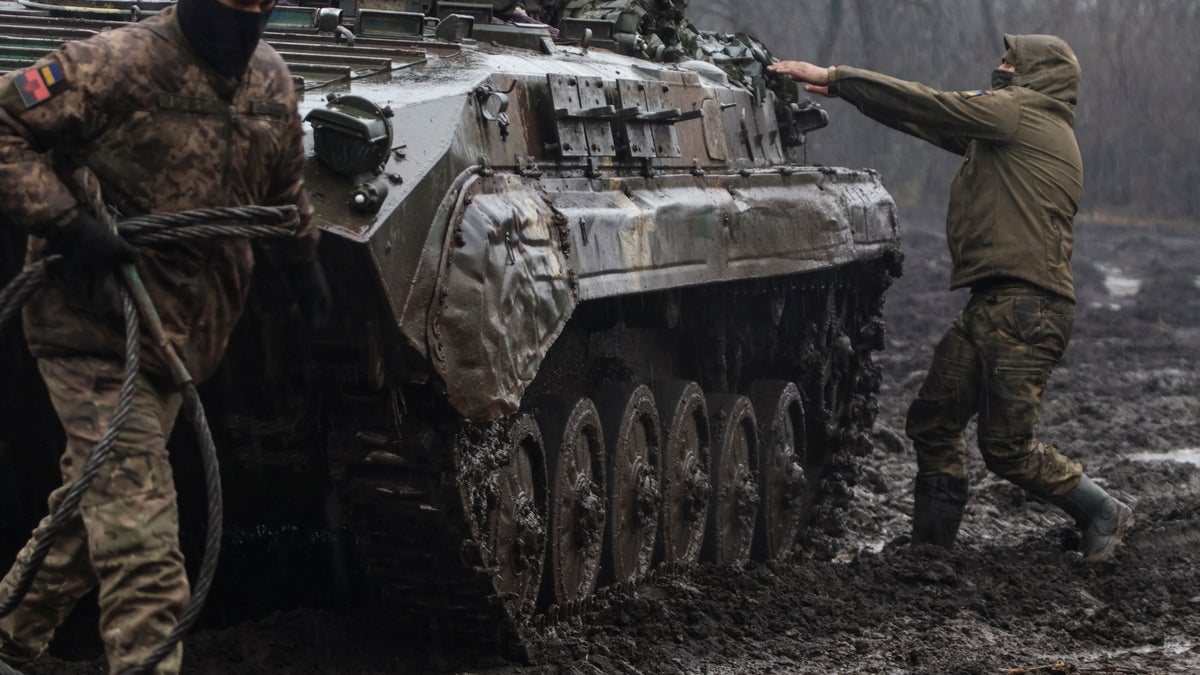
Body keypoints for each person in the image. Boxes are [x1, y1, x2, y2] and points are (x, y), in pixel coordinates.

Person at [0, 0, 329, 671]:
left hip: (180, 338)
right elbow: (4, 119)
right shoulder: (116, 63)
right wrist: (65, 222)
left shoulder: (271, 81)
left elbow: (285, 188)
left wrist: (306, 267)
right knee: (144, 550)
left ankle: (9, 635)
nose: (245, 14)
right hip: (92, 328)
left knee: (92, 521)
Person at [769, 35, 1134, 560]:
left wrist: (838, 77)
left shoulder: (1024, 114)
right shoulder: (1013, 130)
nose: (1002, 66)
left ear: (1040, 76)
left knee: (1007, 448)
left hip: (1027, 307)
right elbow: (927, 120)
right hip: (996, 303)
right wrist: (853, 94)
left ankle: (1101, 510)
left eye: (1014, 62)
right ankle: (931, 551)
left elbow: (931, 103)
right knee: (933, 421)